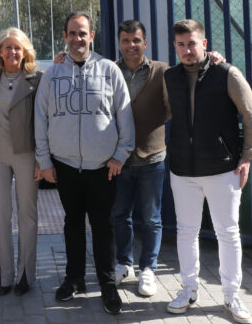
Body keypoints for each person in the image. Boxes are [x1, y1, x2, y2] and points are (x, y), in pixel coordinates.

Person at [34, 12, 134, 315]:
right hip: (64, 165)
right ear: (64, 36)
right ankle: (74, 279)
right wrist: (44, 159)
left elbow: (124, 115)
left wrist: (121, 154)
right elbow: (40, 117)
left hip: (103, 166)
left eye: (83, 33)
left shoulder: (109, 71)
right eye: (72, 33)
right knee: (72, 224)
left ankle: (108, 286)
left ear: (92, 36)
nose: (78, 38)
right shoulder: (52, 74)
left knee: (103, 226)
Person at [164, 19, 252, 324]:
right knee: (186, 232)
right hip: (182, 169)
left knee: (228, 233)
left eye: (192, 43)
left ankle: (232, 294)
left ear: (204, 44)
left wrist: (247, 156)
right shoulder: (169, 77)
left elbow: (251, 115)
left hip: (222, 168)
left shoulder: (227, 73)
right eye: (180, 44)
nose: (186, 50)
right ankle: (189, 289)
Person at [110, 20, 171, 298]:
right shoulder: (109, 70)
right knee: (119, 214)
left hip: (151, 157)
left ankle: (148, 268)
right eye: (125, 40)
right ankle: (124, 263)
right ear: (119, 43)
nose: (131, 45)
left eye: (136, 40)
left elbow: (170, 108)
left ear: (145, 43)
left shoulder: (161, 71)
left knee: (151, 218)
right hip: (117, 159)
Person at [0, 27, 41, 297]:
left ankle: (26, 275)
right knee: (0, 214)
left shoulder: (37, 79)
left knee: (27, 215)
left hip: (26, 153)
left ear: (25, 50)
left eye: (17, 47)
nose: (12, 52)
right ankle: (5, 275)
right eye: (7, 47)